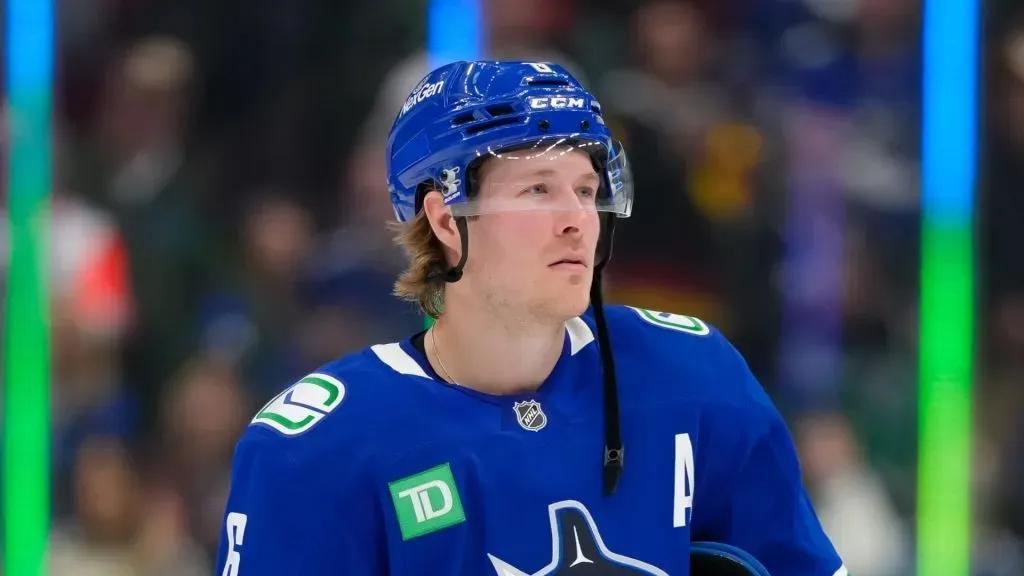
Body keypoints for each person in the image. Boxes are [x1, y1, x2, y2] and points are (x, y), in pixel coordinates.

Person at [214, 60, 847, 575]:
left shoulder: (692, 376)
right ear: (444, 220)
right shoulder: (316, 446)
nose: (577, 219)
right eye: (538, 189)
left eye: (586, 189)